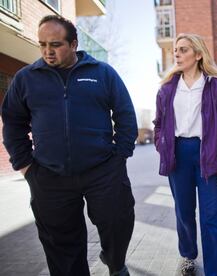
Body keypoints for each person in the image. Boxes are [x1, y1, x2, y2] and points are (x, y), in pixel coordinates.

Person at [1, 15, 137, 276]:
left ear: (74, 44)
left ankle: (115, 262)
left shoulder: (102, 73)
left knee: (117, 222)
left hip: (102, 171)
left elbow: (125, 115)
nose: (47, 52)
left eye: (55, 45)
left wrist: (119, 157)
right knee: (61, 248)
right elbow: (13, 123)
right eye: (42, 45)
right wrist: (26, 166)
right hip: (49, 176)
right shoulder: (25, 79)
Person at [153, 33, 217, 276]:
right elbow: (159, 124)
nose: (177, 54)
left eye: (183, 50)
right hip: (178, 156)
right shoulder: (167, 89)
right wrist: (163, 145)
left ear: (198, 55)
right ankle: (189, 254)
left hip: (208, 154)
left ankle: (216, 271)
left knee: (213, 217)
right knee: (184, 212)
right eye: (176, 50)